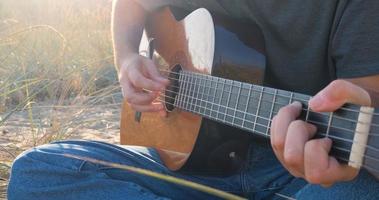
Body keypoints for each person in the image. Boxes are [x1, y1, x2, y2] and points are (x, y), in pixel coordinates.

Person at [7, 0, 379, 199]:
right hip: (192, 163)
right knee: (38, 173)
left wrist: (343, 156)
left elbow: (364, 115)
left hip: (304, 176)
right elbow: (132, 4)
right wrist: (127, 61)